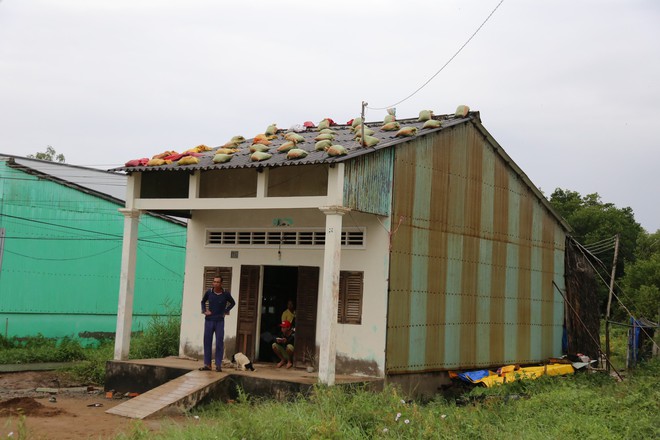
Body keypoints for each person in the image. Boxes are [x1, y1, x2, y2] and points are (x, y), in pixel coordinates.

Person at [200, 276, 236, 372]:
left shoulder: (225, 294)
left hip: (220, 321)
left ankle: (218, 365)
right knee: (207, 341)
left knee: (219, 342)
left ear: (221, 284)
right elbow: (203, 301)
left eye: (217, 282)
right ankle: (207, 365)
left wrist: (226, 310)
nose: (215, 283)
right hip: (209, 320)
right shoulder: (209, 292)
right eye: (214, 281)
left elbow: (233, 303)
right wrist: (204, 310)